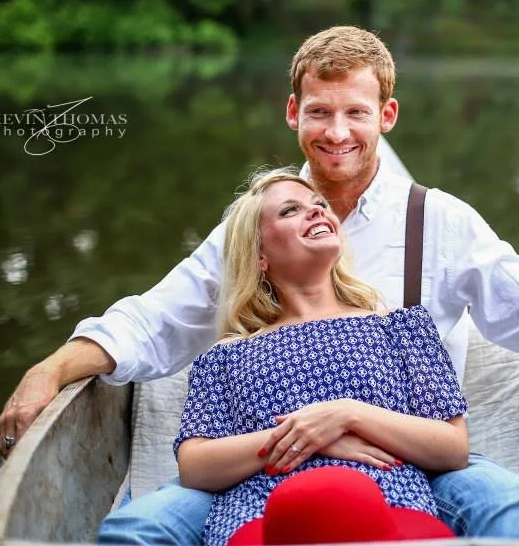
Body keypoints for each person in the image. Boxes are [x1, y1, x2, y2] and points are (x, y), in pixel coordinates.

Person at [0, 26, 519, 543]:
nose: (337, 131)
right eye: (319, 111)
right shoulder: (252, 228)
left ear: (386, 116)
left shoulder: (437, 220)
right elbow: (152, 324)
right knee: (139, 528)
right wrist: (53, 367)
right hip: (263, 463)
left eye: (355, 112)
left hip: (409, 454)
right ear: (294, 114)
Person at [173, 168, 466, 545]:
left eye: (319, 204)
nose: (317, 212)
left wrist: (347, 414)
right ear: (259, 254)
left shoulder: (401, 327)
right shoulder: (226, 356)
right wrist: (310, 437)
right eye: (290, 210)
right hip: (262, 520)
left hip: (389, 511)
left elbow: (453, 448)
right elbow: (195, 467)